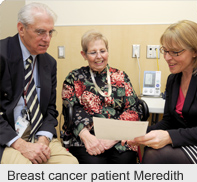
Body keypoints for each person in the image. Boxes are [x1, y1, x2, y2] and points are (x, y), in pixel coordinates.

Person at [0, 2, 78, 164]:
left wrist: (43, 140)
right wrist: (21, 145)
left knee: (70, 166)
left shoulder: (49, 64)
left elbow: (50, 110)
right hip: (7, 138)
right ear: (21, 29)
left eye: (51, 32)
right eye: (41, 32)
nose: (47, 39)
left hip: (38, 134)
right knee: (27, 172)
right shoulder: (2, 55)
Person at [125, 20, 197, 164]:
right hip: (188, 140)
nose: (167, 57)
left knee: (156, 155)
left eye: (175, 52)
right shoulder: (173, 79)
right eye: (165, 50)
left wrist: (170, 137)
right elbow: (169, 121)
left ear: (195, 51)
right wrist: (139, 134)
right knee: (152, 149)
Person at [62, 30, 141, 164]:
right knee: (93, 163)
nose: (99, 56)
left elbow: (133, 108)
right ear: (84, 55)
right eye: (93, 52)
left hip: (119, 136)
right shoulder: (73, 77)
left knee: (125, 160)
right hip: (87, 137)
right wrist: (86, 136)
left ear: (108, 51)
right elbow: (71, 109)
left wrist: (114, 137)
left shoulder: (121, 76)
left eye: (102, 51)